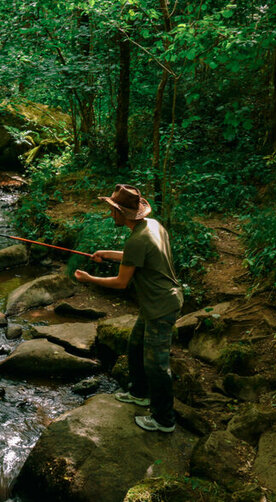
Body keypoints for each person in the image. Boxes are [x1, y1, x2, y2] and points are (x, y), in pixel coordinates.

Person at [73, 184, 183, 432]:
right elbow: (138, 254)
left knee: (157, 364)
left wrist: (89, 279)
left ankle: (163, 420)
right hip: (154, 303)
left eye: (113, 210)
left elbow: (121, 283)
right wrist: (108, 254)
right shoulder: (152, 226)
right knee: (135, 347)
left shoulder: (137, 239)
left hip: (161, 306)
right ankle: (140, 393)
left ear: (123, 214)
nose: (111, 213)